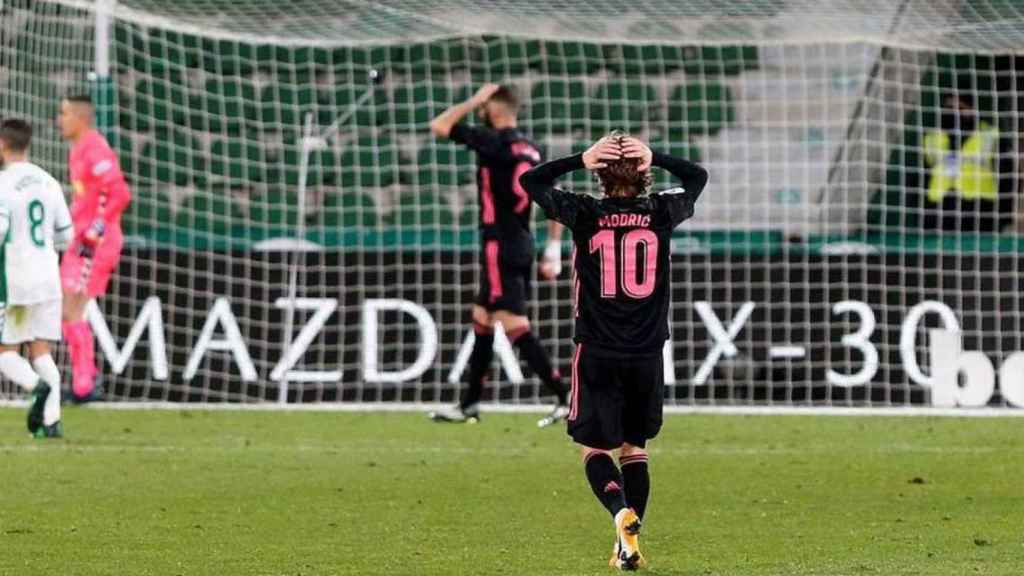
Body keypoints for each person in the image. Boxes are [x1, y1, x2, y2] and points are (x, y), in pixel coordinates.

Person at [519, 133, 708, 570]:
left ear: (599, 177)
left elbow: (531, 181)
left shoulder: (585, 213)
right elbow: (697, 176)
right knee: (634, 446)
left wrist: (579, 159)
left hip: (598, 349)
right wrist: (654, 154)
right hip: (646, 351)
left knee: (593, 448)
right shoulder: (661, 211)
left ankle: (620, 513)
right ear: (643, 176)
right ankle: (629, 540)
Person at [426, 83, 571, 428]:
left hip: (499, 243)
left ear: (494, 108)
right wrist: (553, 250)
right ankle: (469, 404)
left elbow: (440, 125)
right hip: (523, 241)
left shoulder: (494, 142)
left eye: (485, 106)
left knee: (514, 325)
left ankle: (566, 398)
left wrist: (473, 100)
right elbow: (557, 196)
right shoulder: (532, 149)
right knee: (483, 319)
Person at [0, 119, 73, 438]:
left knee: (6, 354)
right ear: (27, 145)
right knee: (41, 350)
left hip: (16, 280)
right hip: (48, 277)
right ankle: (51, 422)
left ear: (3, 145)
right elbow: (66, 237)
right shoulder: (49, 182)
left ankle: (35, 386)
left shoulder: (2, 184)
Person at [57, 94, 132, 402]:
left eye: (64, 114)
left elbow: (120, 193)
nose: (59, 120)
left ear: (80, 117)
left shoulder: (95, 148)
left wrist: (94, 231)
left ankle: (85, 383)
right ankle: (84, 380)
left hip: (96, 243)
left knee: (71, 307)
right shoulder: (77, 151)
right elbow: (87, 198)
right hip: (81, 239)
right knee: (67, 309)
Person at [922, 90, 1015, 232]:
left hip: (980, 211)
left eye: (960, 108)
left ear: (972, 109)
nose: (954, 113)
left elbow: (1009, 178)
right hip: (940, 212)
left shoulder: (990, 136)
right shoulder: (932, 138)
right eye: (949, 108)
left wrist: (1005, 216)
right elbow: (923, 177)